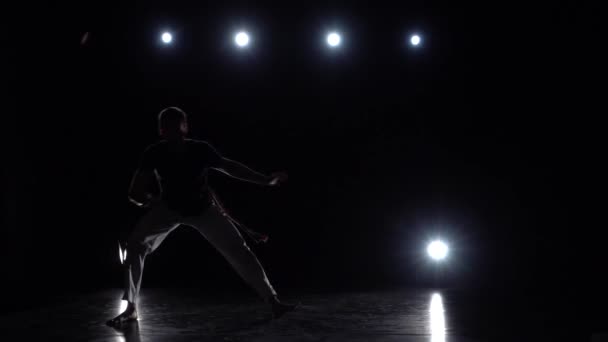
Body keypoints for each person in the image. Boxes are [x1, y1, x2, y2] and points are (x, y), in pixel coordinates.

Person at [107, 107, 296, 326]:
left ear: (185, 127)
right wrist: (150, 200)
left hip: (203, 209)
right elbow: (134, 192)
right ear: (161, 130)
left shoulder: (200, 149)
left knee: (238, 250)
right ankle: (131, 309)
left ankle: (273, 302)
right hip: (169, 209)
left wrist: (264, 180)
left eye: (177, 124)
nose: (173, 129)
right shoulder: (154, 153)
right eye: (167, 125)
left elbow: (229, 167)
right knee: (135, 246)